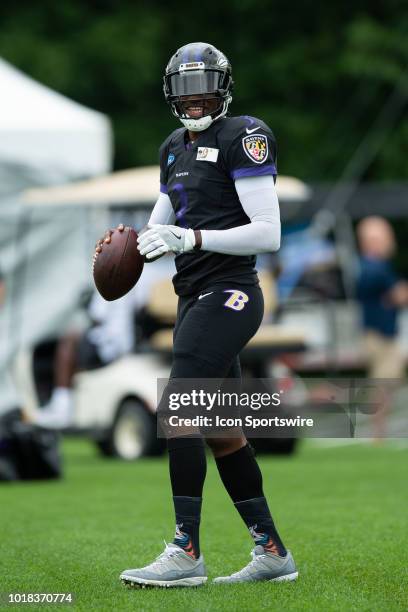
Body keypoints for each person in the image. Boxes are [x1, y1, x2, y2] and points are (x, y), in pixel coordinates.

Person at [98, 42, 297, 587]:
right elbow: (158, 223)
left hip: (231, 292)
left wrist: (191, 236)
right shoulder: (172, 147)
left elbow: (269, 232)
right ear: (170, 94)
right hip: (193, 294)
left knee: (179, 406)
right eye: (184, 89)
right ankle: (272, 551)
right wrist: (125, 250)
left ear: (225, 87)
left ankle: (186, 552)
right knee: (221, 431)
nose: (194, 99)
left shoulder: (243, 136)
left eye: (203, 87)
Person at [356, 216, 408, 439]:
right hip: (380, 336)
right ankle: (378, 433)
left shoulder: (373, 267)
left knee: (386, 383)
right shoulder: (374, 267)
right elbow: (398, 295)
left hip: (382, 333)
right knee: (383, 383)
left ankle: (379, 431)